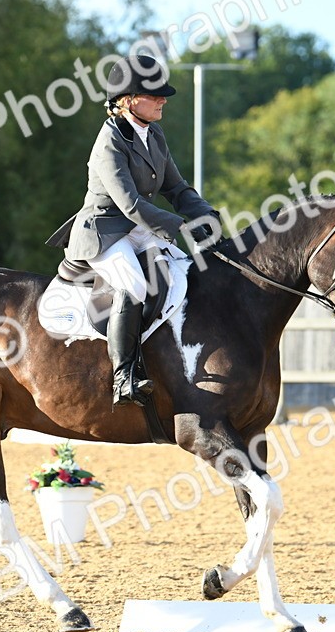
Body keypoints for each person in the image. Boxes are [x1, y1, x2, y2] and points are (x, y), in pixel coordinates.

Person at [46, 55, 219, 407]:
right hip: (104, 231)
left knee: (184, 269)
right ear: (128, 100)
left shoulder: (153, 133)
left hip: (137, 228)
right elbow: (129, 204)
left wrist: (205, 214)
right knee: (135, 285)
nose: (163, 100)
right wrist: (180, 225)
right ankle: (123, 377)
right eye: (154, 95)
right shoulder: (109, 140)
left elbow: (176, 187)